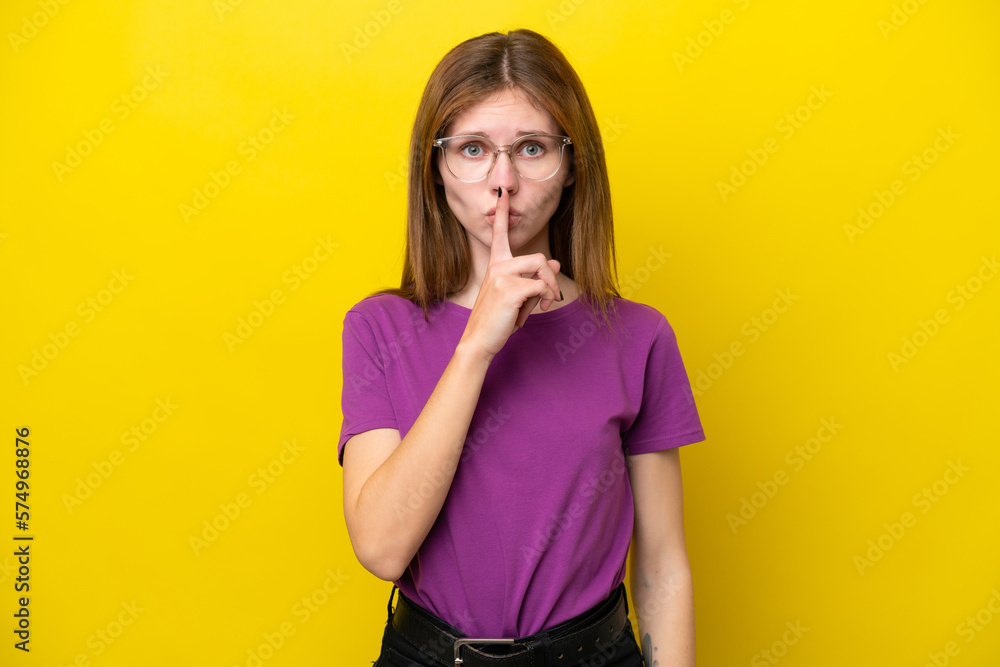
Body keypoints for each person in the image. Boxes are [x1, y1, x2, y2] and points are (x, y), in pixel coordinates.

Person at [339, 28, 705, 667]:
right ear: (437, 171)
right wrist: (476, 345)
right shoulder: (379, 328)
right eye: (474, 149)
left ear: (571, 170)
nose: (502, 181)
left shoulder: (639, 337)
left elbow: (663, 566)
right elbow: (382, 548)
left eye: (532, 148)